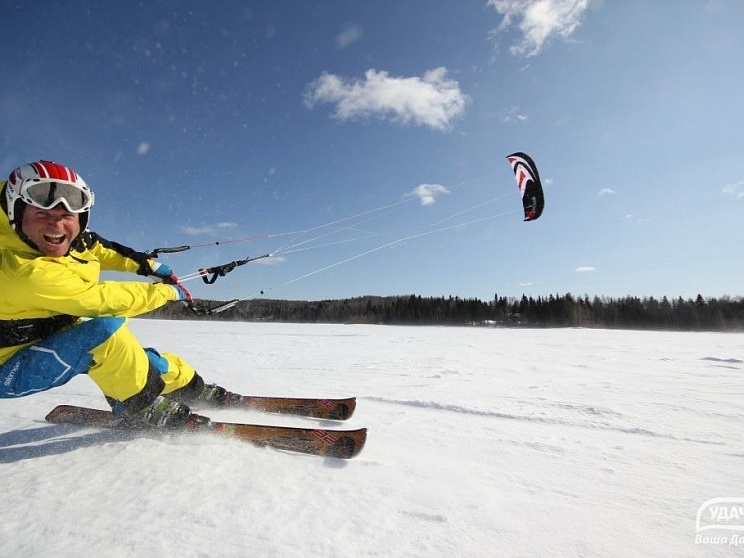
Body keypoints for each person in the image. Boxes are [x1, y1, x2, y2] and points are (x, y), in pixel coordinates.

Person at [0, 160, 229, 428]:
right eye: (43, 214)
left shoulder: (49, 238)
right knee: (105, 335)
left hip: (48, 341)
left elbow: (97, 247)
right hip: (8, 369)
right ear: (16, 211)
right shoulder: (20, 270)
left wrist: (149, 266)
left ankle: (193, 388)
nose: (57, 226)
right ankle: (139, 408)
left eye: (67, 216)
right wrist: (167, 293)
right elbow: (102, 299)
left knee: (138, 359)